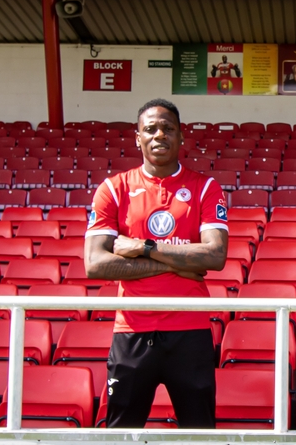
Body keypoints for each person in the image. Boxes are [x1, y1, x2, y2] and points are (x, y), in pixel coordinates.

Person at [84, 98, 228, 428]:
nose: (159, 135)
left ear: (181, 137)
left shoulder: (205, 187)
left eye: (168, 129)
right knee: (121, 432)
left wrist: (145, 248)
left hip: (189, 331)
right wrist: (176, 263)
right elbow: (94, 264)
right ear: (137, 137)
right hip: (132, 330)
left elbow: (215, 256)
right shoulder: (114, 189)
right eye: (150, 129)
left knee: (199, 433)